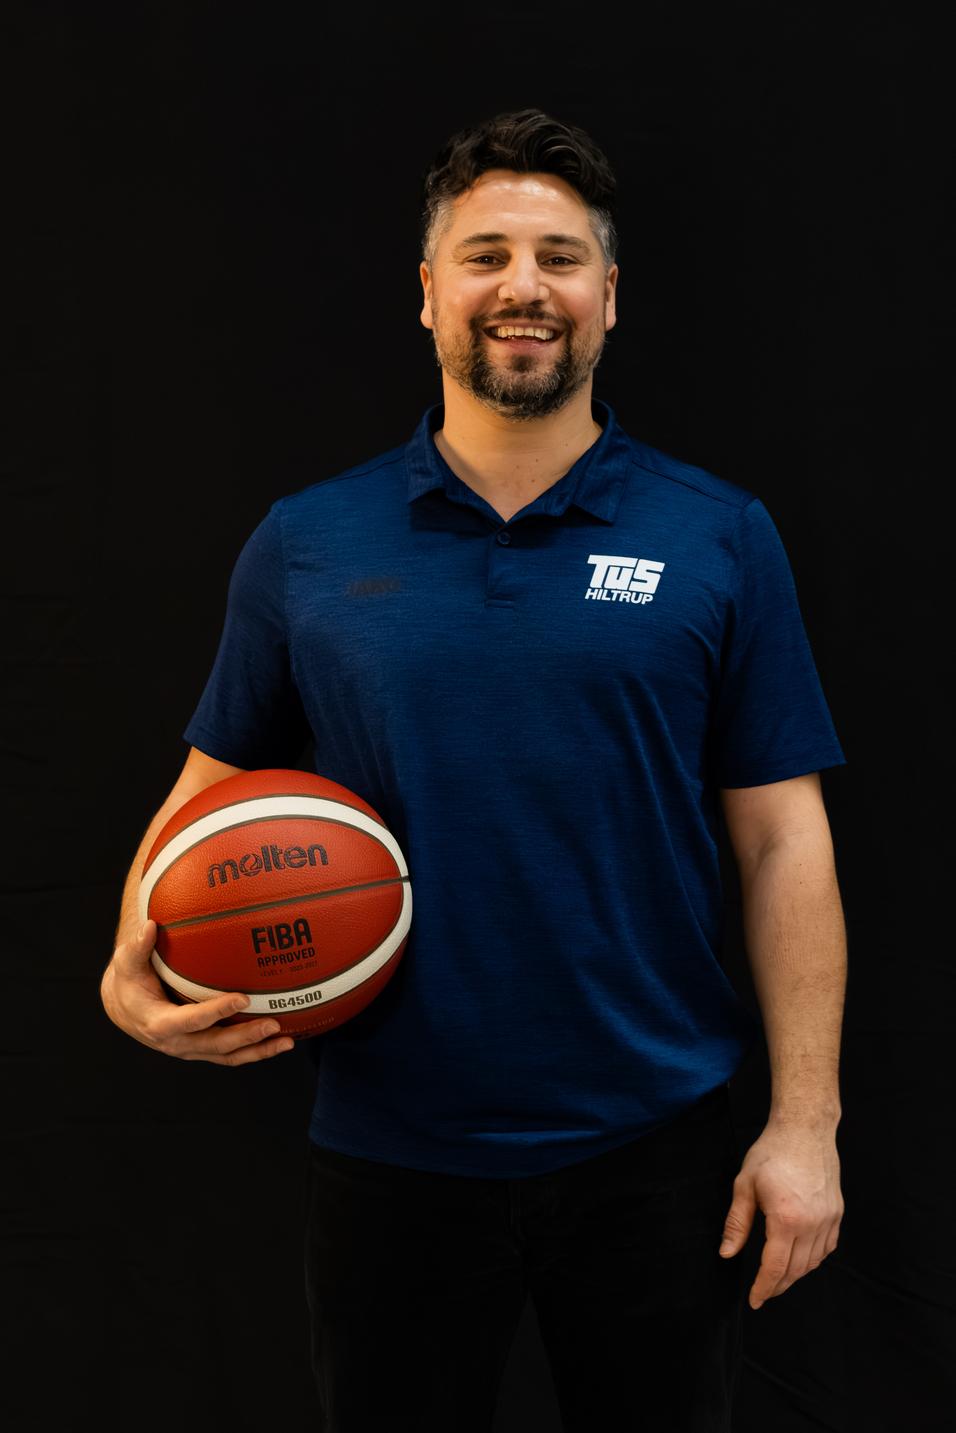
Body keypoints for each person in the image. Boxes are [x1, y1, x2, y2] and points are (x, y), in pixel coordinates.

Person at [101, 108, 848, 1432]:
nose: (524, 287)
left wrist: (806, 1126)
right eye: (487, 253)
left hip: (657, 1137)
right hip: (393, 1146)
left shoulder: (719, 534)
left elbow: (784, 838)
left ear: (608, 299)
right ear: (431, 291)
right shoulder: (309, 541)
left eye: (560, 257)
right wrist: (126, 963)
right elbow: (202, 795)